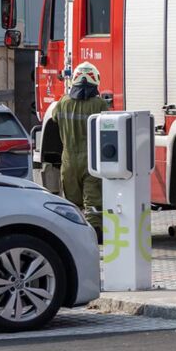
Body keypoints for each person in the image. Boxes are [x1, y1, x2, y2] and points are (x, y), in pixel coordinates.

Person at [52, 61, 109, 237]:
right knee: (93, 201)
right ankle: (95, 234)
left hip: (68, 161)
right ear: (96, 80)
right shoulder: (99, 105)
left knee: (72, 203)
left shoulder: (63, 103)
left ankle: (74, 236)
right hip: (92, 162)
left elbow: (54, 119)